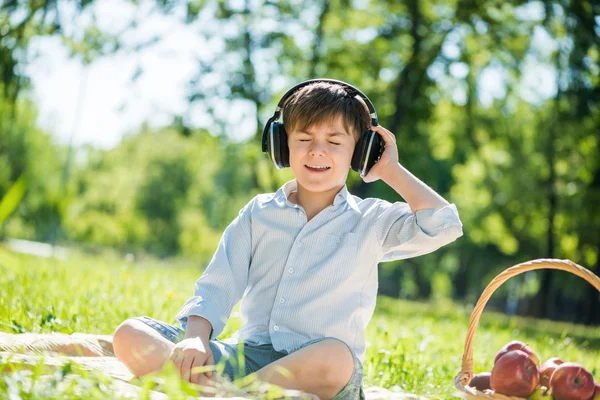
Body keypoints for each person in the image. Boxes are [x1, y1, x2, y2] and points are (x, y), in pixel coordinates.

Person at [112, 79, 463, 400]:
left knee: (337, 358)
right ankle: (232, 392)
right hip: (245, 358)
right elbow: (217, 285)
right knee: (130, 334)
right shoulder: (259, 213)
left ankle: (226, 394)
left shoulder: (371, 220)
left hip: (314, 371)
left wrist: (390, 170)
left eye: (335, 142)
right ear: (282, 145)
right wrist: (195, 338)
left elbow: (444, 225)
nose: (317, 151)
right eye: (304, 139)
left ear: (359, 152)